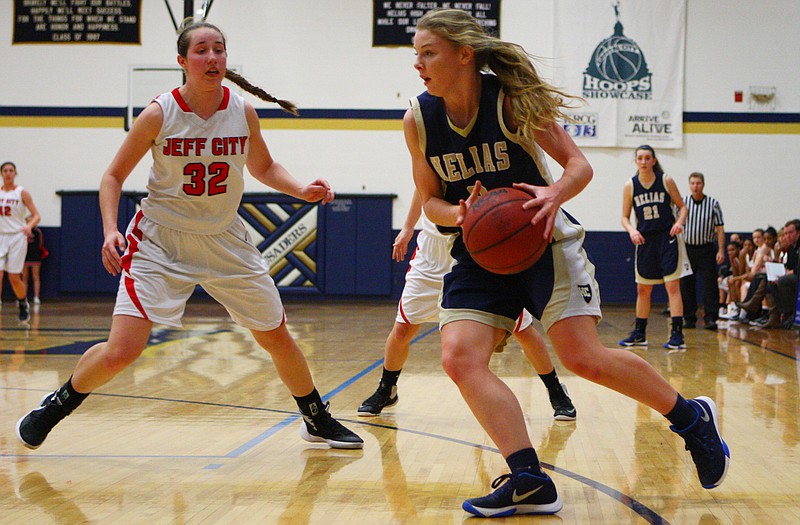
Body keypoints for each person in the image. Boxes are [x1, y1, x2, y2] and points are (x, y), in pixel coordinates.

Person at [405, 9, 729, 518]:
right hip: (479, 249)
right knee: (459, 358)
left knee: (581, 358)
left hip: (542, 238)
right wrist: (460, 212)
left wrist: (553, 192)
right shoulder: (418, 118)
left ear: (464, 54)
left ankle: (691, 420)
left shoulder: (509, 100)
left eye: (428, 52)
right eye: (416, 54)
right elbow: (429, 201)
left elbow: (580, 166)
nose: (418, 64)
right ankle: (529, 478)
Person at [16, 20, 362, 451]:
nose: (213, 57)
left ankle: (315, 418)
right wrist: (108, 230)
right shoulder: (160, 113)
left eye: (219, 49)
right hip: (160, 239)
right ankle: (58, 403)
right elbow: (112, 176)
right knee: (123, 350)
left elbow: (263, 167)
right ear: (182, 61)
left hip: (223, 237)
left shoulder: (242, 110)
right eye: (202, 50)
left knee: (276, 335)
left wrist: (299, 188)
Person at [358, 190, 577, 421]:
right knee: (402, 330)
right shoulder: (431, 161)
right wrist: (407, 228)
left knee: (523, 329)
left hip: (474, 254)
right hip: (431, 256)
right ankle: (387, 388)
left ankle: (555, 389)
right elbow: (421, 192)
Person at [620, 145, 691, 349]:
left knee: (672, 286)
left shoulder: (665, 180)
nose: (643, 161)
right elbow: (624, 217)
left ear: (653, 160)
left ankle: (677, 334)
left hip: (667, 237)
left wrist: (679, 222)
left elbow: (682, 206)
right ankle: (640, 333)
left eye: (647, 158)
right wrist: (632, 230)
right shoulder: (630, 186)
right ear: (636, 161)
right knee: (643, 289)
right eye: (640, 158)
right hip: (645, 239)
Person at [680, 172, 725, 331]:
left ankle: (711, 317)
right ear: (689, 185)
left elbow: (719, 229)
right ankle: (689, 317)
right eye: (692, 183)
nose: (695, 186)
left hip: (706, 249)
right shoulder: (683, 203)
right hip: (687, 249)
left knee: (710, 284)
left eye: (698, 183)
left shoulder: (713, 203)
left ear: (703, 185)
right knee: (686, 284)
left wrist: (720, 249)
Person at [0, 161, 41, 322]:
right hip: (1, 235)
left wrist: (29, 226)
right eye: (5, 170)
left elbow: (36, 215)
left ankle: (23, 302)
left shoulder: (21, 192)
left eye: (11, 170)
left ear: (15, 173)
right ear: (2, 174)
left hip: (17, 236)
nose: (8, 173)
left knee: (13, 276)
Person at [761, 219, 799, 328]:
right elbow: (789, 266)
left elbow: (795, 269)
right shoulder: (791, 248)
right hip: (792, 275)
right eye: (785, 233)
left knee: (783, 280)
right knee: (770, 281)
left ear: (798, 232)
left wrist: (788, 273)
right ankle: (776, 315)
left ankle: (788, 313)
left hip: (796, 276)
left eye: (790, 233)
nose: (787, 236)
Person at [23, 225, 47, 305]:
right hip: (24, 256)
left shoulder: (37, 232)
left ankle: (36, 297)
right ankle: (23, 297)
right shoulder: (22, 231)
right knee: (24, 278)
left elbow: (40, 244)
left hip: (35, 256)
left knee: (36, 277)